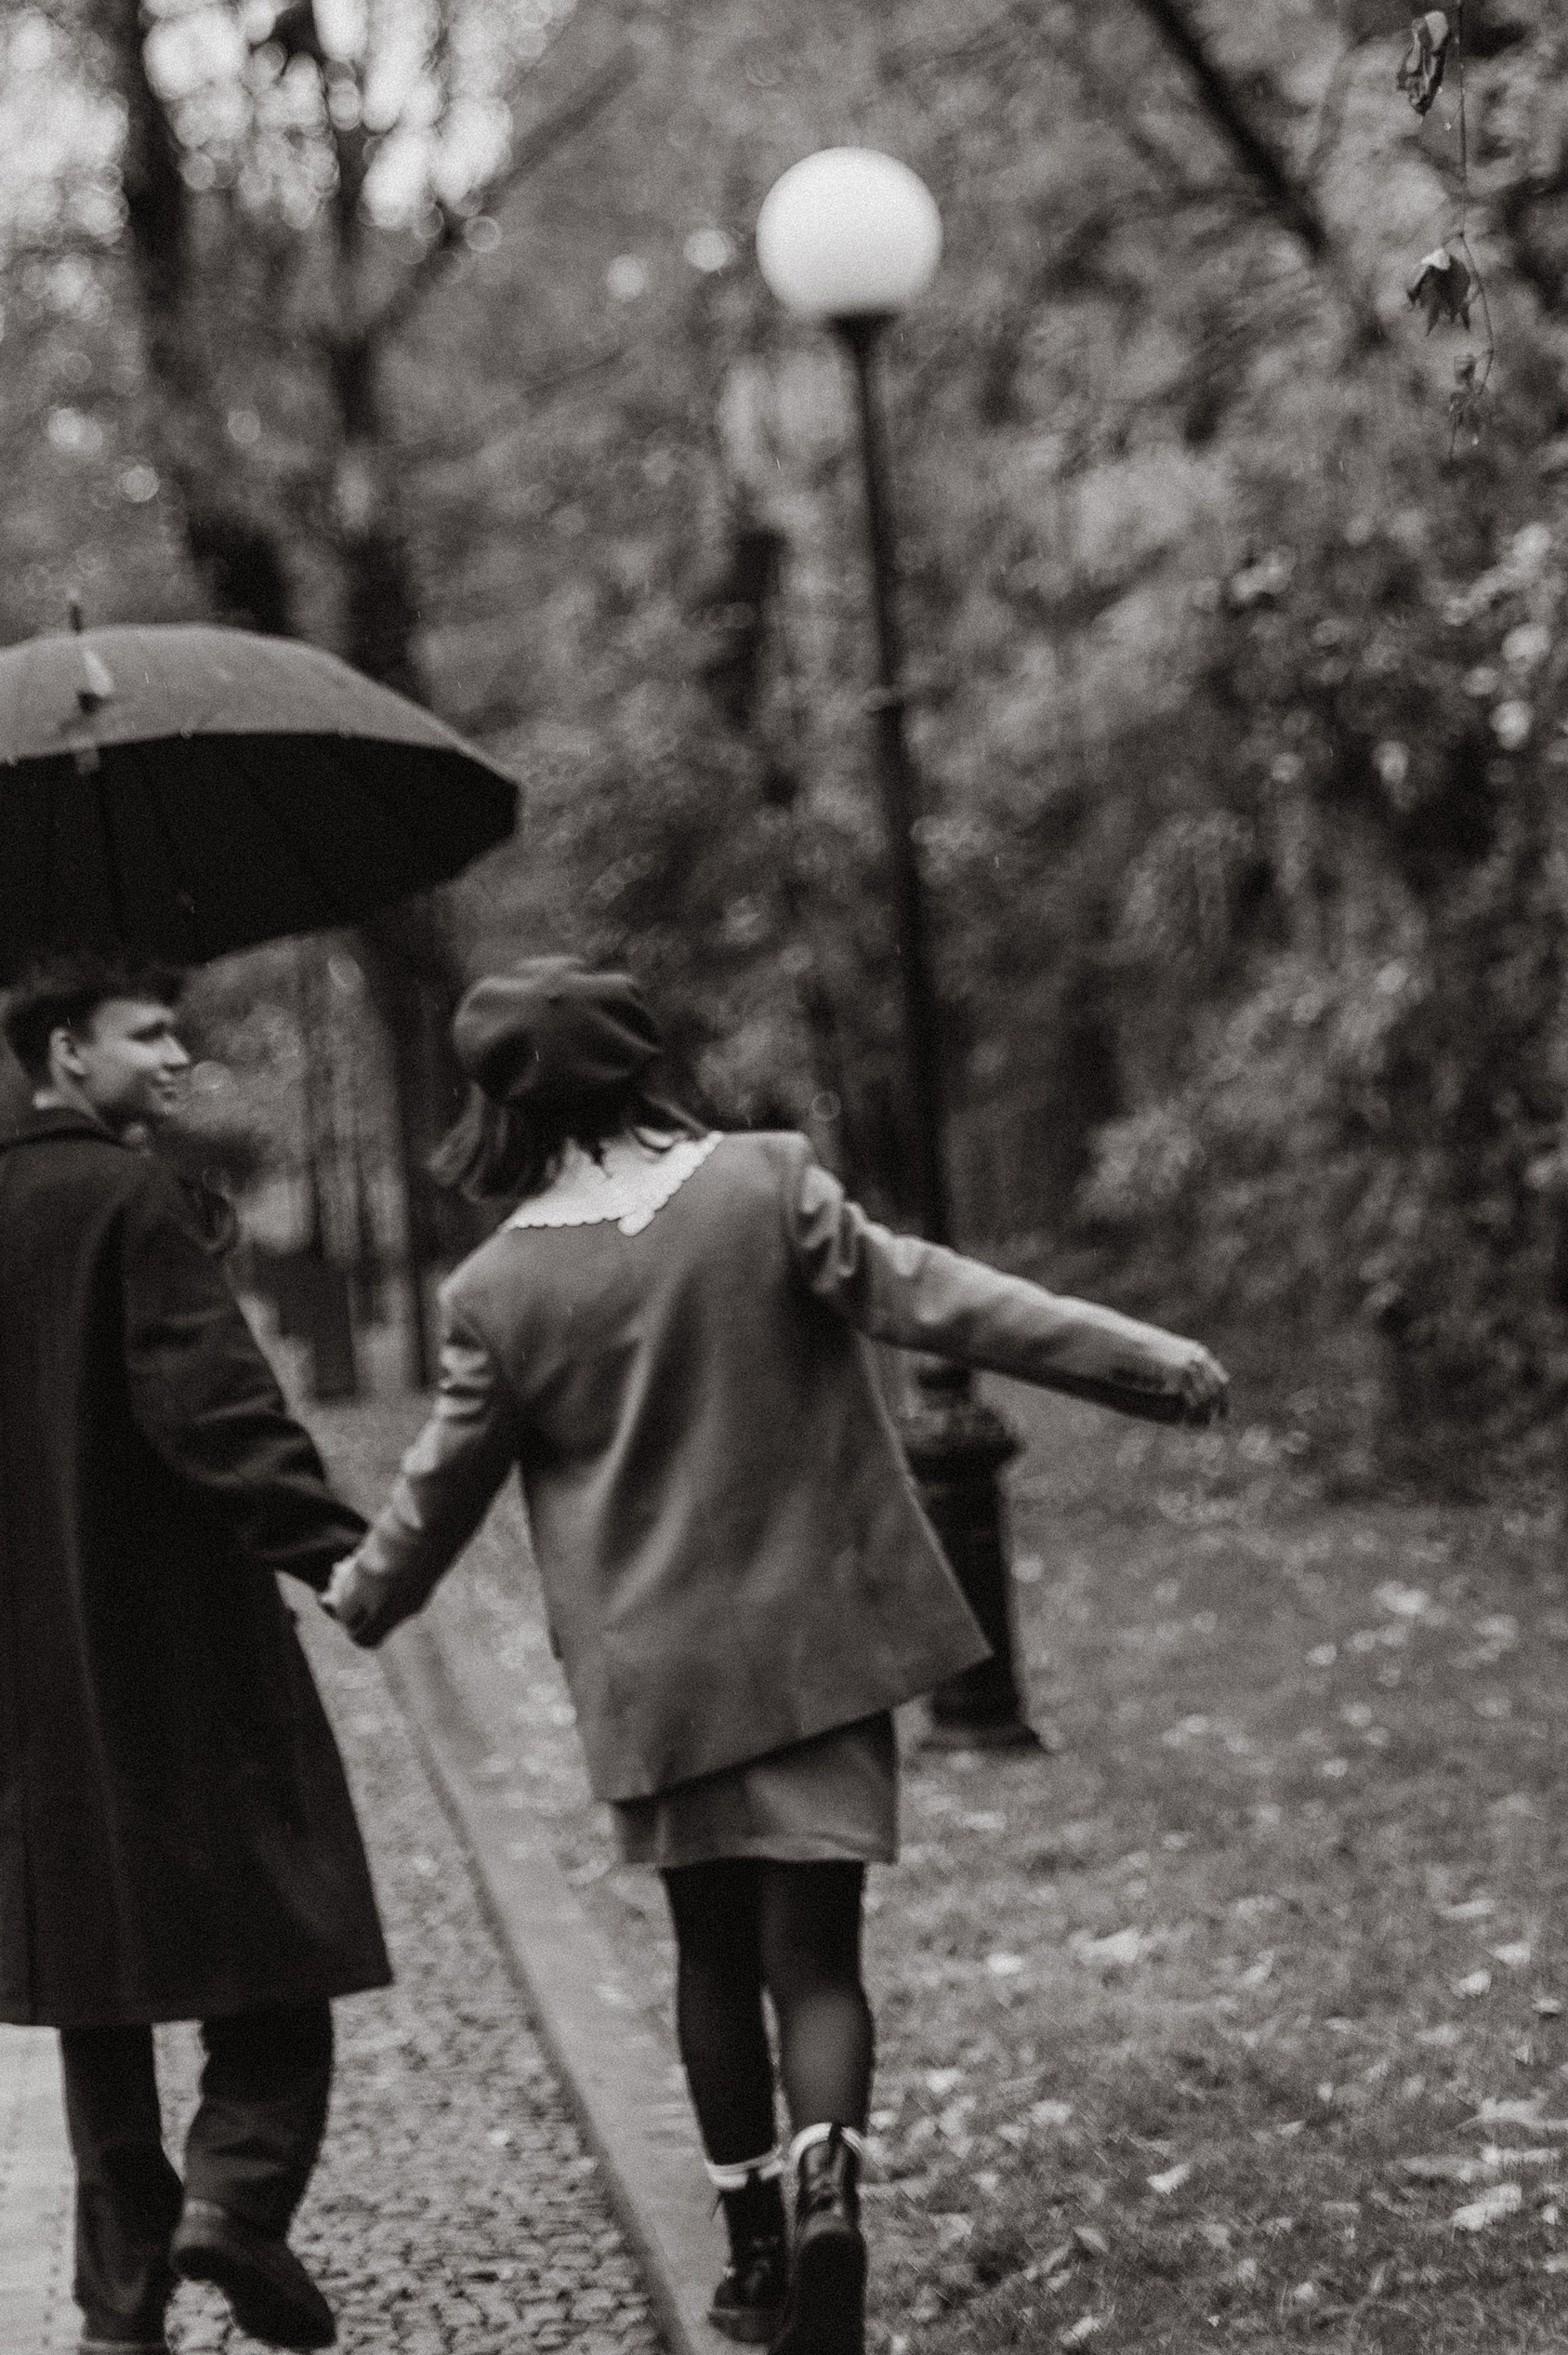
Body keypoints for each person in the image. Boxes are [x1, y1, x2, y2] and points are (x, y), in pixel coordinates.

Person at [324, 958, 1230, 2355]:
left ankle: (753, 2265)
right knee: (815, 1961)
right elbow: (945, 1298)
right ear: (642, 1062)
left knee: (708, 1960)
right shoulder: (765, 1184)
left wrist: (366, 1594)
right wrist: (1148, 1363)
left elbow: (442, 1485)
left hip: (658, 1680)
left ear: (496, 1104)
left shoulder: (497, 1287)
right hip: (815, 1648)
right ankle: (830, 2193)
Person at [0, 951, 389, 2355]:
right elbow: (213, 1412)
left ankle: (121, 2311)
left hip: (35, 1662)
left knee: (98, 1991)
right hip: (177, 1646)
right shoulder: (128, 1203)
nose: (179, 1054)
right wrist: (341, 1556)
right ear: (68, 1051)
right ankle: (237, 2200)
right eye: (149, 1035)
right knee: (288, 1925)